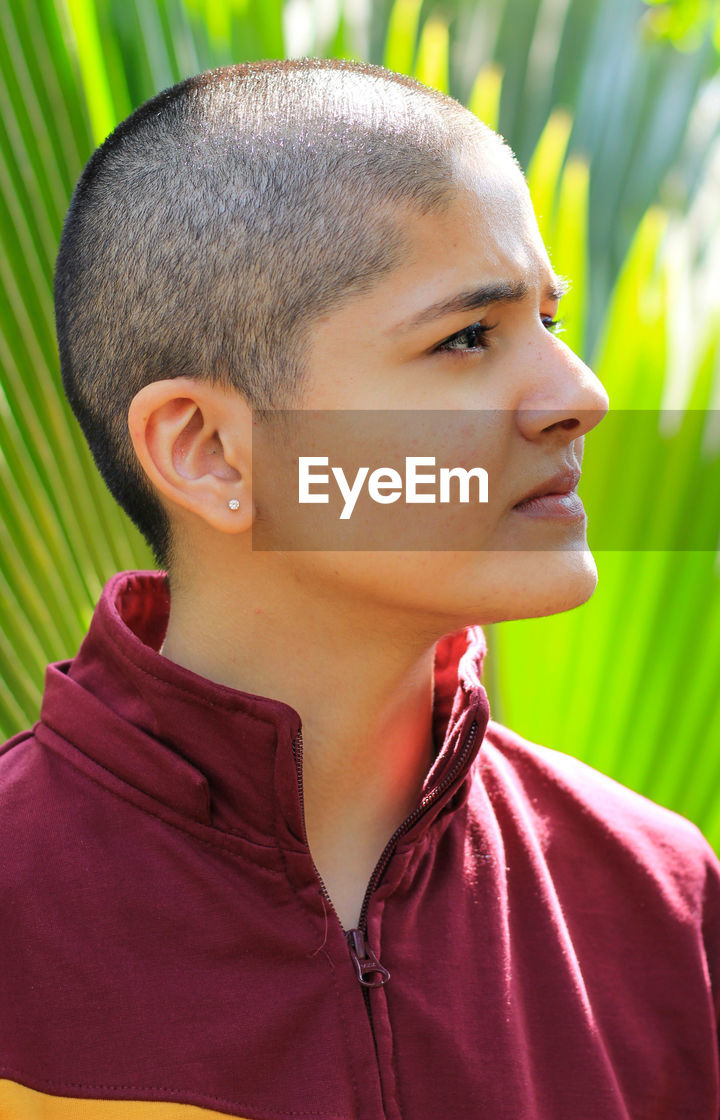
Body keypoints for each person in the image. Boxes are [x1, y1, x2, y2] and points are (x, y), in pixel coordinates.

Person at [1, 58, 718, 1120]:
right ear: (209, 449)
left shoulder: (658, 899)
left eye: (550, 323)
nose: (582, 395)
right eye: (467, 335)